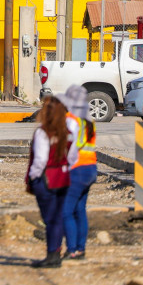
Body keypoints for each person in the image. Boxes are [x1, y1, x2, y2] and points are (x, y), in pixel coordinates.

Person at [26, 95, 72, 269]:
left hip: (46, 179)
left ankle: (52, 254)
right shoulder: (67, 133)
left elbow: (40, 159)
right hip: (63, 177)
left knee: (50, 219)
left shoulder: (43, 132)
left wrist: (32, 177)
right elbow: (72, 156)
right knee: (57, 218)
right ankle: (55, 253)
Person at [60, 85, 96, 261]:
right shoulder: (88, 120)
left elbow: (71, 146)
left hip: (77, 169)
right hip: (90, 168)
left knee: (66, 211)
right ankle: (80, 249)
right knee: (80, 210)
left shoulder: (71, 120)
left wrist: (65, 165)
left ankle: (72, 249)